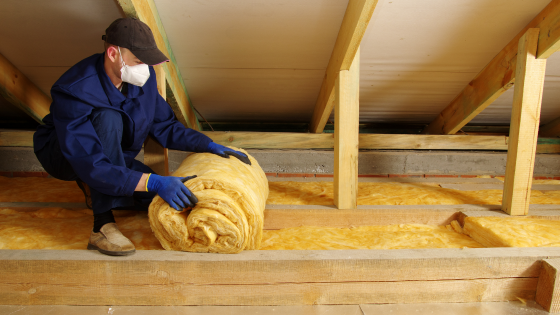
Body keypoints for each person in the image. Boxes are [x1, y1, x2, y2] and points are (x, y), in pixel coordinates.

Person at [33, 17, 250, 256]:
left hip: (110, 154)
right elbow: (90, 161)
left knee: (161, 199)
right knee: (108, 119)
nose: (144, 68)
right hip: (67, 154)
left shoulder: (141, 81)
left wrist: (207, 145)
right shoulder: (75, 89)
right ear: (114, 53)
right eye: (138, 61)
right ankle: (101, 226)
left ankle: (96, 188)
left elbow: (165, 125)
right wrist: (153, 181)